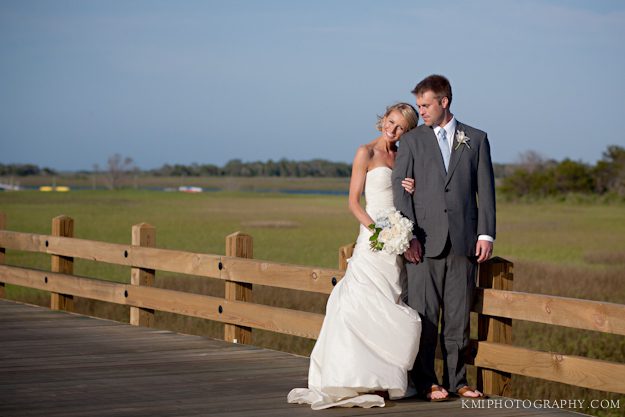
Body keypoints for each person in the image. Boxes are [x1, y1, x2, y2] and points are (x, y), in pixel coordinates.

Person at [287, 103, 422, 409]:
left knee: (390, 301)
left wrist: (411, 189)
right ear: (382, 120)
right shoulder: (366, 152)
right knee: (361, 300)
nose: (393, 129)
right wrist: (380, 233)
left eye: (401, 127)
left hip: (399, 236)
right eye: (390, 122)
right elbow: (353, 202)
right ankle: (354, 376)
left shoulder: (403, 156)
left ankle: (385, 378)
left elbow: (403, 197)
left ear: (408, 131)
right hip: (374, 236)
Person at [392, 75, 496, 401]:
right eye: (419, 105)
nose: (420, 111)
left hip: (464, 242)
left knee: (458, 316)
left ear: (444, 102)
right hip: (423, 244)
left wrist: (486, 233)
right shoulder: (411, 141)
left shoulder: (476, 139)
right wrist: (408, 237)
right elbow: (400, 190)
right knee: (423, 316)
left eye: (426, 105)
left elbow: (486, 192)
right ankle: (426, 382)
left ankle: (458, 381)